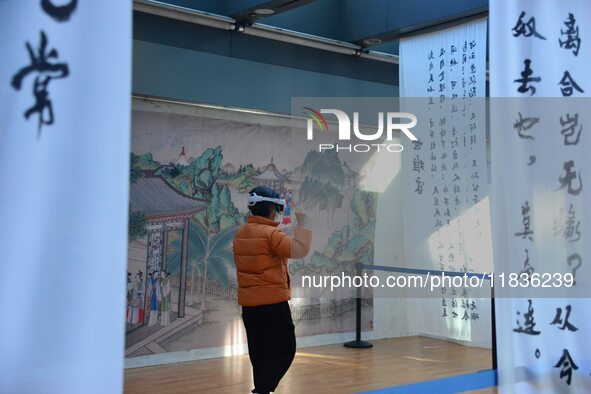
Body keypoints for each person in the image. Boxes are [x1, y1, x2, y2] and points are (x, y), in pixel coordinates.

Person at [233, 186, 312, 394]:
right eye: (277, 208)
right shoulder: (270, 234)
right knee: (286, 349)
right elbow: (299, 250)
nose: (277, 212)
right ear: (271, 208)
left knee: (260, 354)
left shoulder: (241, 233)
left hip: (249, 306)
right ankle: (261, 391)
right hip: (272, 305)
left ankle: (261, 390)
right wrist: (303, 223)